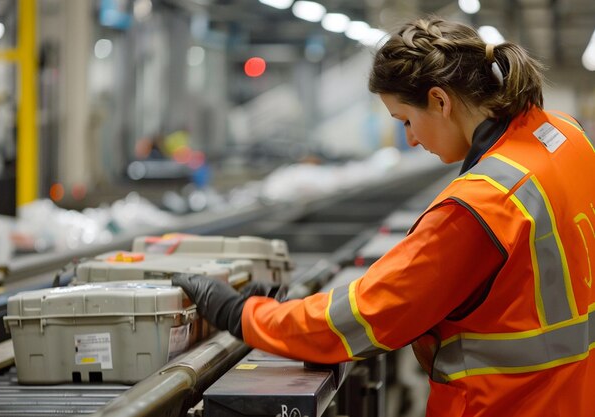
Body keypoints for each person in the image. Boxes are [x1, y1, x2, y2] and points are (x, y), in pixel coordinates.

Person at [172, 17, 595, 417]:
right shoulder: (568, 136)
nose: (410, 139)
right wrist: (294, 305)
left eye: (406, 121)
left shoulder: (483, 204)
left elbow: (361, 318)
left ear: (440, 100)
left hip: (507, 404)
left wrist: (241, 314)